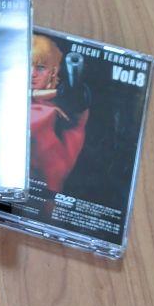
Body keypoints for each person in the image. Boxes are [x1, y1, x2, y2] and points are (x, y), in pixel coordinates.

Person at [29, 33, 90, 191]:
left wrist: (72, 98)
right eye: (27, 65)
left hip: (44, 190)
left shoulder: (60, 107)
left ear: (53, 72)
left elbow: (76, 121)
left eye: (40, 67)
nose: (32, 73)